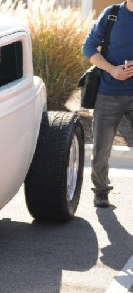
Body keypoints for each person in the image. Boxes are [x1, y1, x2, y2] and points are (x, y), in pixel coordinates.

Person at [82, 0, 133, 208]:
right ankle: (101, 192)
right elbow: (88, 47)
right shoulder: (111, 14)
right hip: (108, 92)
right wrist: (112, 70)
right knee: (101, 149)